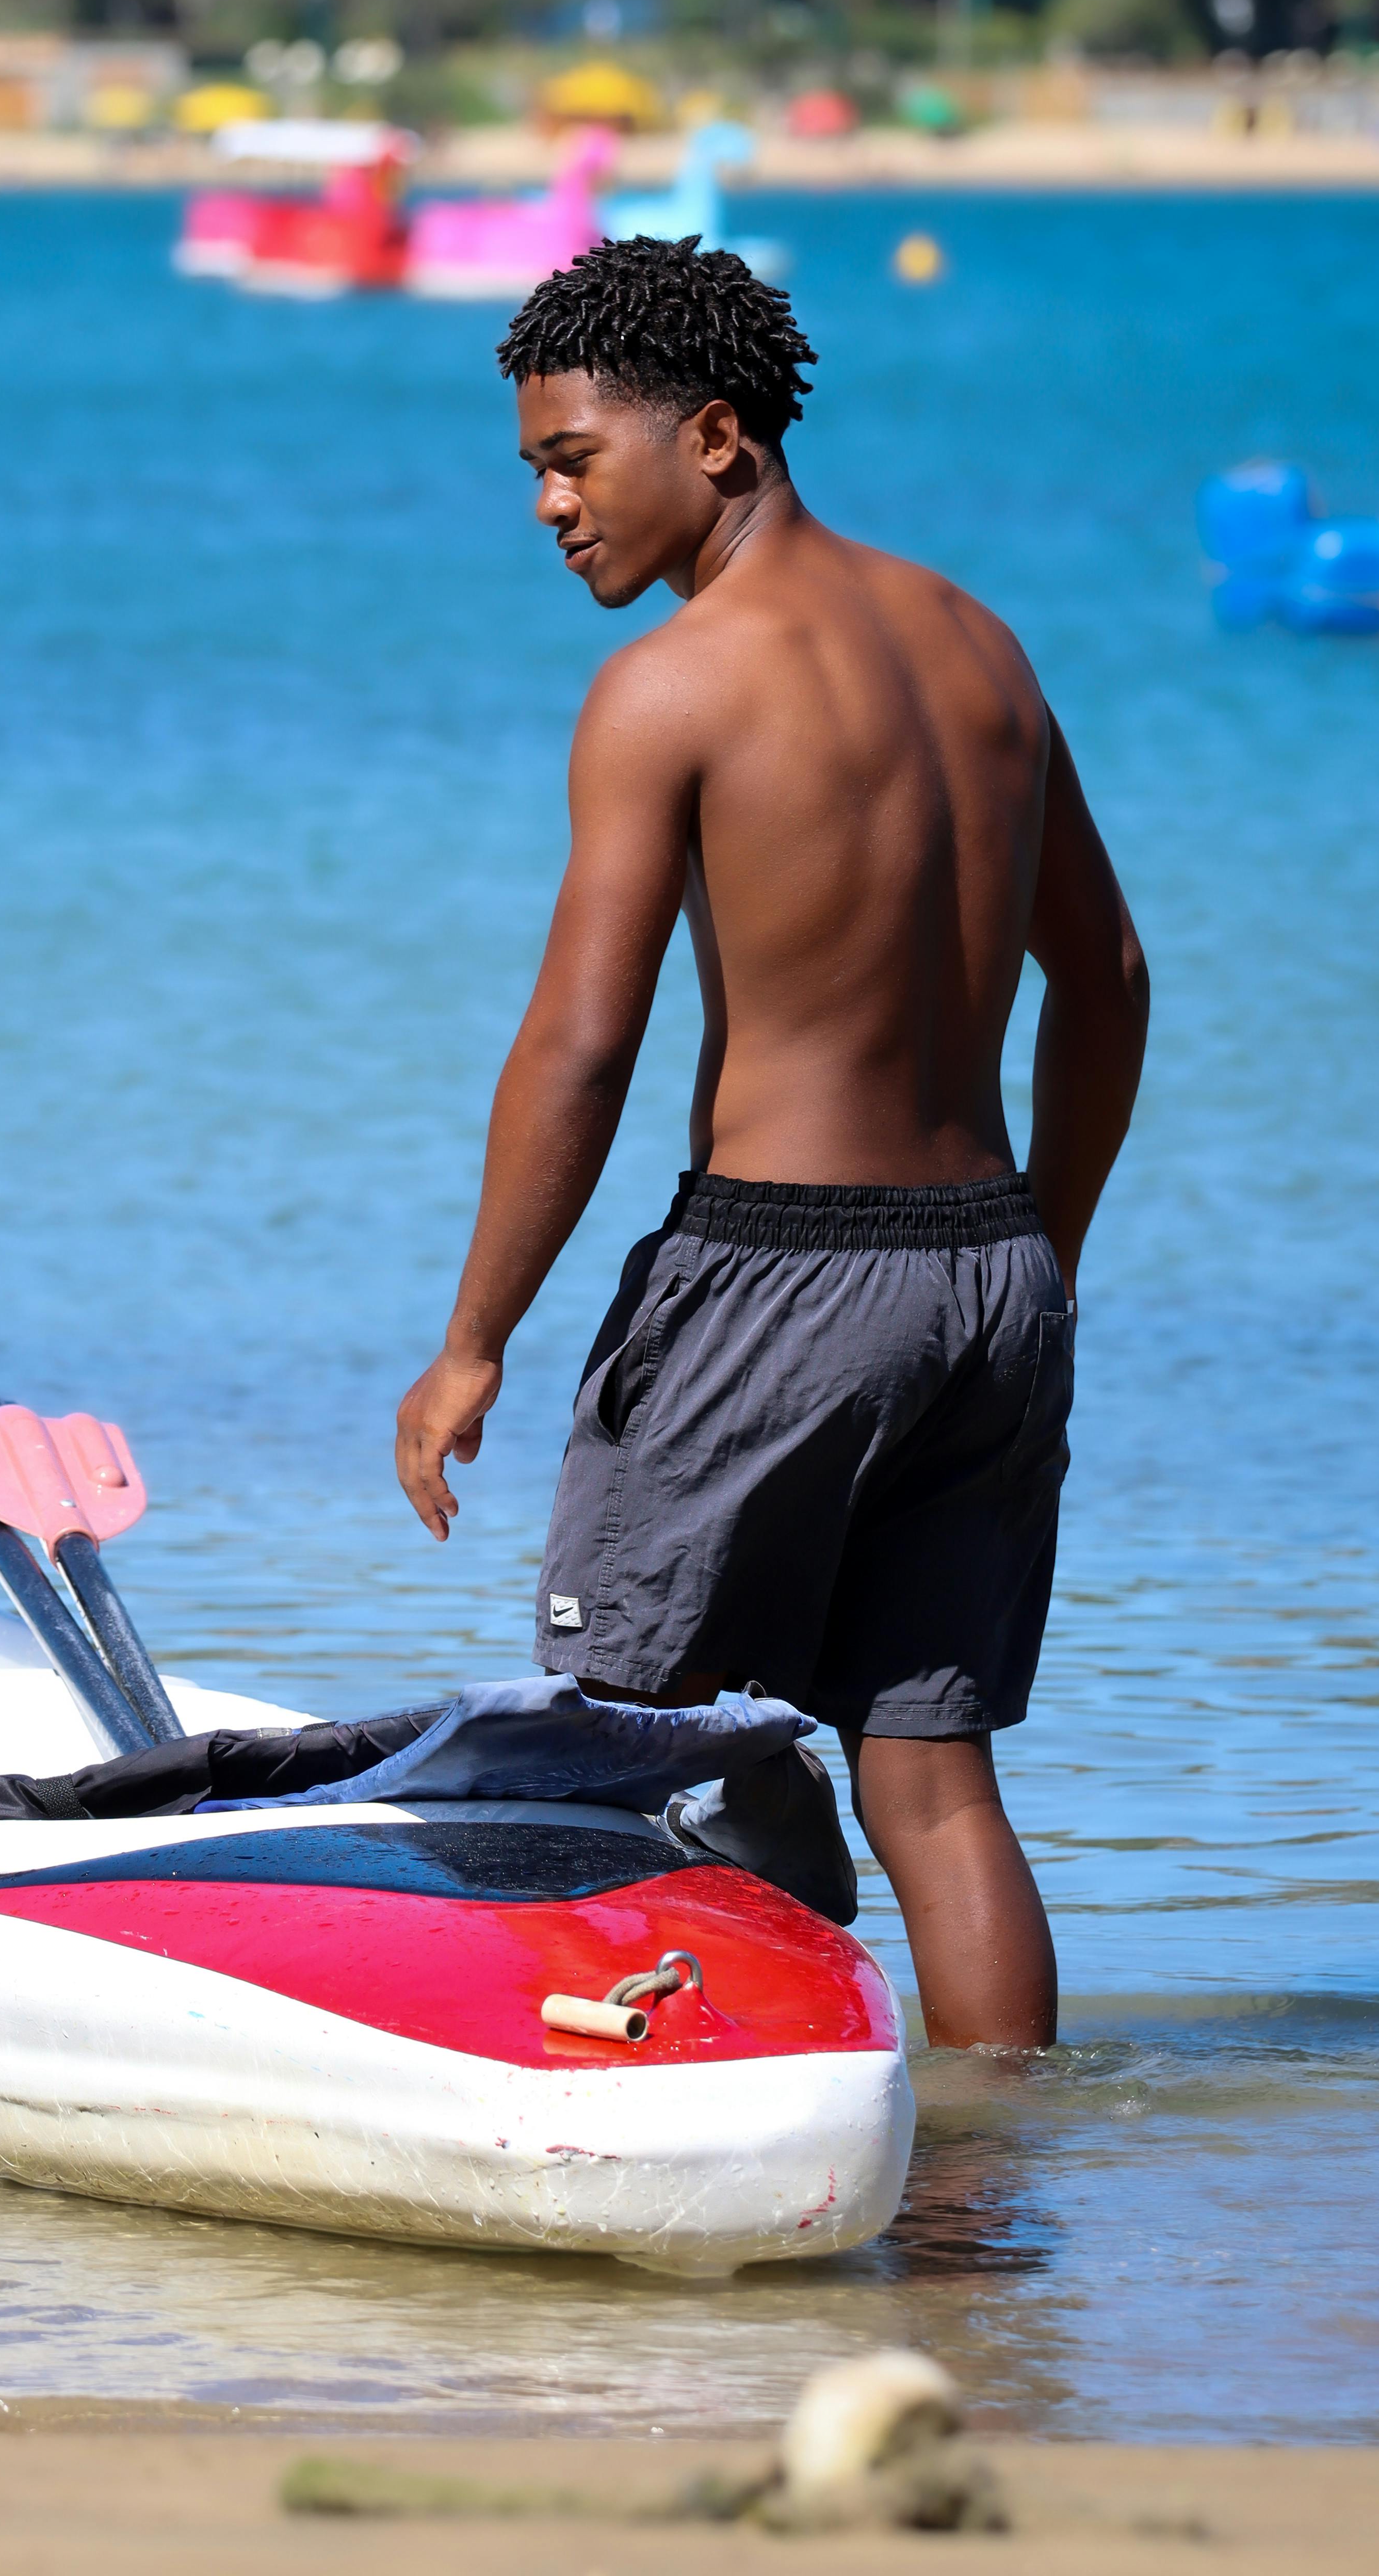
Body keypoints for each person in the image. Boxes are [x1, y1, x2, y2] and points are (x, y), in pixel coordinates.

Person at [394, 238, 1147, 2051]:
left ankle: (657, 2114)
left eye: (573, 458)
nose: (550, 506)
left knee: (621, 1728)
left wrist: (475, 1336)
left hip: (779, 1272)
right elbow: (1107, 978)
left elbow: (583, 1046)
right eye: (533, 472)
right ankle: (990, 2210)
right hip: (985, 1274)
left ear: (715, 437)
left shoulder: (675, 688)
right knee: (936, 1780)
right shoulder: (977, 646)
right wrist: (1044, 1239)